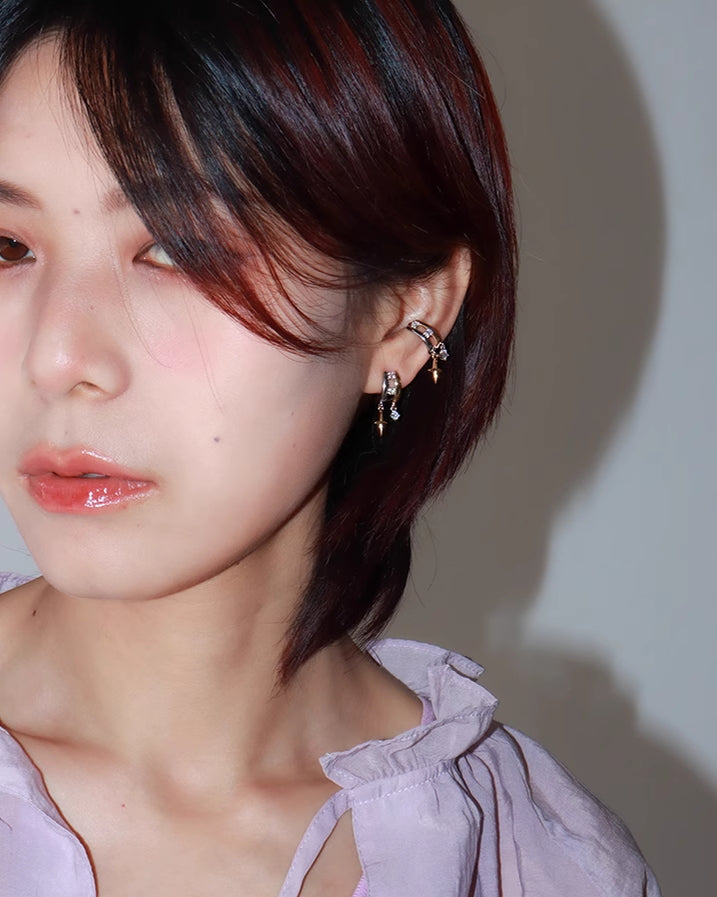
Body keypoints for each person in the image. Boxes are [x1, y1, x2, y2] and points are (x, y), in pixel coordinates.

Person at [0, 1, 660, 895]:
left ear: (403, 315)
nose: (54, 357)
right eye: (8, 246)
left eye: (178, 251)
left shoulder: (530, 863)